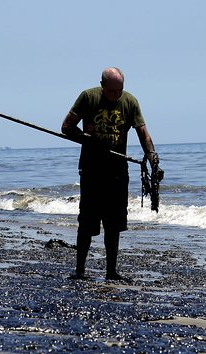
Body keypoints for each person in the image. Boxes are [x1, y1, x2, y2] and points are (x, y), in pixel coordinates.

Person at [61, 67, 159, 282]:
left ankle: (111, 272)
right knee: (87, 222)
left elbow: (143, 132)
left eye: (120, 90)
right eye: (112, 91)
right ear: (102, 85)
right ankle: (80, 271)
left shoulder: (129, 101)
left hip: (117, 171)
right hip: (91, 170)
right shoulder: (88, 97)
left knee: (114, 224)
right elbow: (66, 127)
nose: (116, 95)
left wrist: (152, 157)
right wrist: (87, 138)